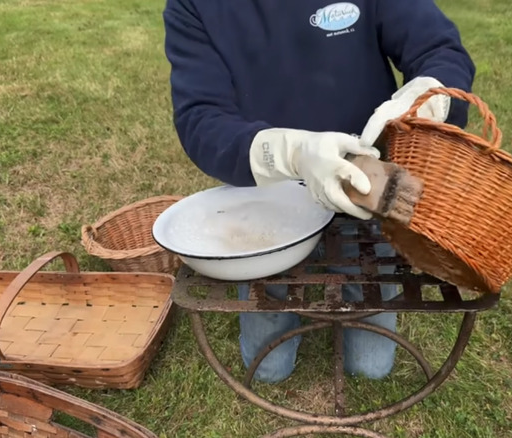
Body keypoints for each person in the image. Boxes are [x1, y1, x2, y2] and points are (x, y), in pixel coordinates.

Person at [163, 0, 475, 383]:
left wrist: (430, 96)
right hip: (270, 201)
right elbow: (200, 119)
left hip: (366, 191)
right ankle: (278, 308)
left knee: (371, 368)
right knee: (267, 370)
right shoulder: (194, 5)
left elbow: (438, 48)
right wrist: (290, 154)